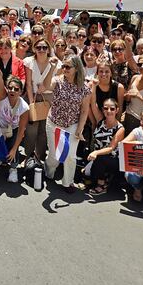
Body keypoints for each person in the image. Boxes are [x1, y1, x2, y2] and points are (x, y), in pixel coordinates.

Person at [41, 55, 91, 192]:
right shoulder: (57, 81)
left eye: (68, 67)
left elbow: (84, 111)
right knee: (53, 156)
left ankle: (68, 182)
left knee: (70, 156)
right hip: (54, 122)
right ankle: (49, 171)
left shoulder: (85, 88)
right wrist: (51, 68)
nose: (65, 69)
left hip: (72, 124)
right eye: (63, 66)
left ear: (76, 69)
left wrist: (79, 129)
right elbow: (44, 88)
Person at [0, 61, 29, 183]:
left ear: (21, 92)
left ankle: (13, 169)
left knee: (13, 148)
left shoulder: (24, 107)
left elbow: (22, 130)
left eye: (16, 89)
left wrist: (14, 149)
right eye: (10, 87)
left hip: (14, 129)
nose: (12, 90)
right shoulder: (3, 96)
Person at [23, 38, 54, 165]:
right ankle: (28, 156)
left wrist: (47, 87)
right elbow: (29, 84)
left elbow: (56, 82)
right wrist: (31, 104)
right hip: (33, 96)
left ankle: (39, 157)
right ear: (34, 49)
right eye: (39, 47)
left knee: (43, 130)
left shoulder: (54, 62)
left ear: (48, 49)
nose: (41, 50)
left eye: (44, 47)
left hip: (48, 98)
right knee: (31, 130)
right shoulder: (29, 61)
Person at [86, 98, 125, 195]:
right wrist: (93, 87)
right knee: (85, 174)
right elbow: (92, 104)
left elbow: (111, 148)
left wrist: (96, 152)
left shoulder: (120, 129)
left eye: (112, 109)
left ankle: (102, 185)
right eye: (106, 108)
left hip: (113, 160)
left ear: (117, 110)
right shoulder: (100, 121)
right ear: (102, 110)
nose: (109, 111)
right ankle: (102, 177)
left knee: (100, 158)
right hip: (97, 158)